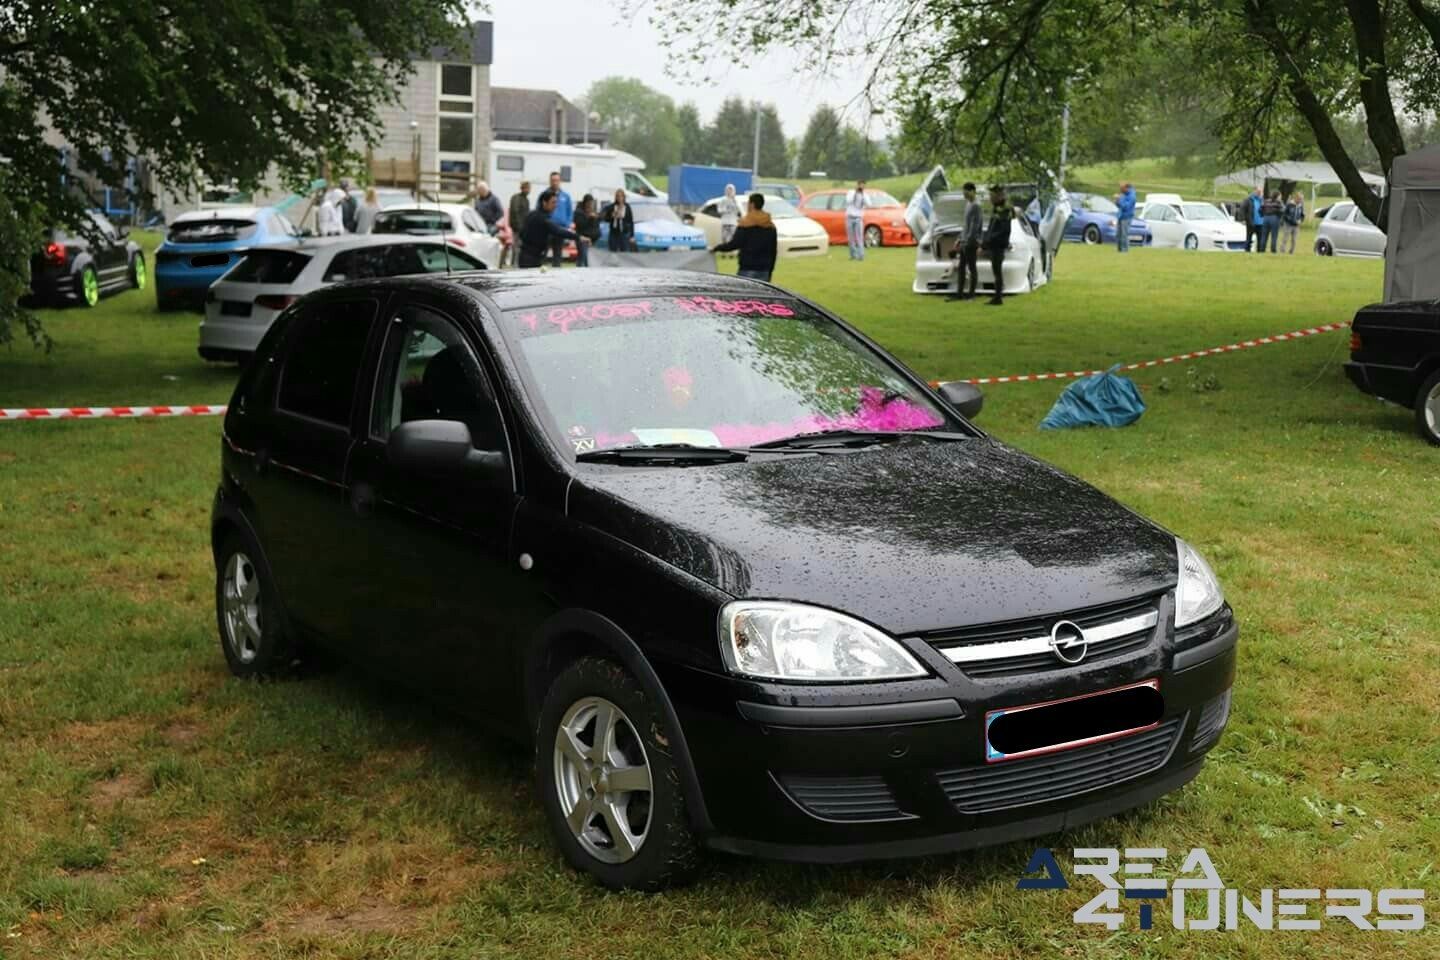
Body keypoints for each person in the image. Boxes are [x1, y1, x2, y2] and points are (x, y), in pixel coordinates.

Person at [711, 192, 777, 282]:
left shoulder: (745, 223)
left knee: (746, 295)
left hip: (747, 267)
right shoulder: (770, 225)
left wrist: (717, 248)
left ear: (752, 204)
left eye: (749, 203)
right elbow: (773, 250)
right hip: (764, 268)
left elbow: (734, 244)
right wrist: (770, 269)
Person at [518, 189, 579, 269]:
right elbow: (558, 231)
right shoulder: (543, 219)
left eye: (556, 202)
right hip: (531, 259)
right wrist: (578, 237)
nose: (556, 205)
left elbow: (521, 233)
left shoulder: (531, 214)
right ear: (544, 203)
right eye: (553, 202)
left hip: (526, 255)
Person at [947, 182, 982, 301]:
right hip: (964, 242)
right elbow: (965, 225)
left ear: (972, 191)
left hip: (971, 243)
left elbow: (974, 227)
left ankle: (971, 295)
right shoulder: (968, 204)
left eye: (965, 192)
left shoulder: (976, 206)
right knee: (961, 268)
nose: (964, 194)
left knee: (972, 269)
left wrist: (967, 241)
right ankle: (959, 294)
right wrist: (959, 239)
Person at [981, 186, 1012, 306]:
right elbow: (991, 228)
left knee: (997, 271)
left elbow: (1003, 230)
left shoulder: (1004, 210)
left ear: (999, 196)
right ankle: (997, 296)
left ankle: (998, 297)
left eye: (992, 196)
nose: (990, 198)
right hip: (994, 244)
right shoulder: (996, 208)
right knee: (996, 271)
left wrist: (989, 240)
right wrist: (986, 241)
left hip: (998, 245)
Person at [546, 171, 574, 267]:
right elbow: (539, 210)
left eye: (557, 180)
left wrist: (568, 224)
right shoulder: (545, 195)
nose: (555, 183)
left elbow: (570, 212)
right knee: (543, 251)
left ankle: (556, 272)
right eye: (553, 180)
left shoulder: (565, 196)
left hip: (560, 229)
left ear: (560, 181)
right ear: (550, 181)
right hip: (548, 228)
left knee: (557, 252)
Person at [505, 181, 531, 268]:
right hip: (517, 228)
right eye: (527, 188)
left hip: (523, 228)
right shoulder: (516, 198)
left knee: (520, 247)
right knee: (516, 247)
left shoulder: (526, 200)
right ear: (522, 188)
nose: (528, 190)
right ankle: (515, 264)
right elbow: (515, 212)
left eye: (529, 188)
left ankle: (518, 264)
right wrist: (519, 226)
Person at [844, 179, 869, 260]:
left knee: (859, 237)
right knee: (850, 238)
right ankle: (853, 255)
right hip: (850, 218)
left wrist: (863, 195)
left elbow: (869, 204)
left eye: (863, 185)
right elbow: (848, 201)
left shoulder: (864, 194)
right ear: (857, 185)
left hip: (858, 218)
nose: (861, 186)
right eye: (860, 185)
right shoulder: (851, 192)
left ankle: (861, 255)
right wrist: (855, 193)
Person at [573, 194, 600, 267]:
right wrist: (589, 218)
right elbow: (580, 225)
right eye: (588, 203)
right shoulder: (578, 212)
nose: (590, 205)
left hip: (593, 239)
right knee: (583, 257)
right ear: (585, 202)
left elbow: (596, 226)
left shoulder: (593, 211)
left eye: (591, 203)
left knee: (591, 260)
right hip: (583, 239)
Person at [1114, 182, 1136, 252]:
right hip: (1120, 216)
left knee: (1124, 234)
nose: (1120, 191)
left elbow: (1126, 207)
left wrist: (1119, 200)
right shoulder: (1123, 194)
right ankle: (1119, 249)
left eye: (1122, 189)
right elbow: (1119, 206)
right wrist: (1117, 201)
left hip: (1127, 217)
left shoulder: (1132, 196)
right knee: (1118, 234)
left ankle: (1124, 250)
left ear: (1126, 188)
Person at [1247, 187, 1264, 253]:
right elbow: (1244, 209)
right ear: (1254, 191)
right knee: (1249, 238)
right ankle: (1247, 251)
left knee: (1260, 239)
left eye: (1260, 192)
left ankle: (1259, 251)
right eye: (1258, 192)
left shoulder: (1262, 200)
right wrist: (1244, 219)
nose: (1259, 193)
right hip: (1251, 222)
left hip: (1260, 223)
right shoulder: (1249, 199)